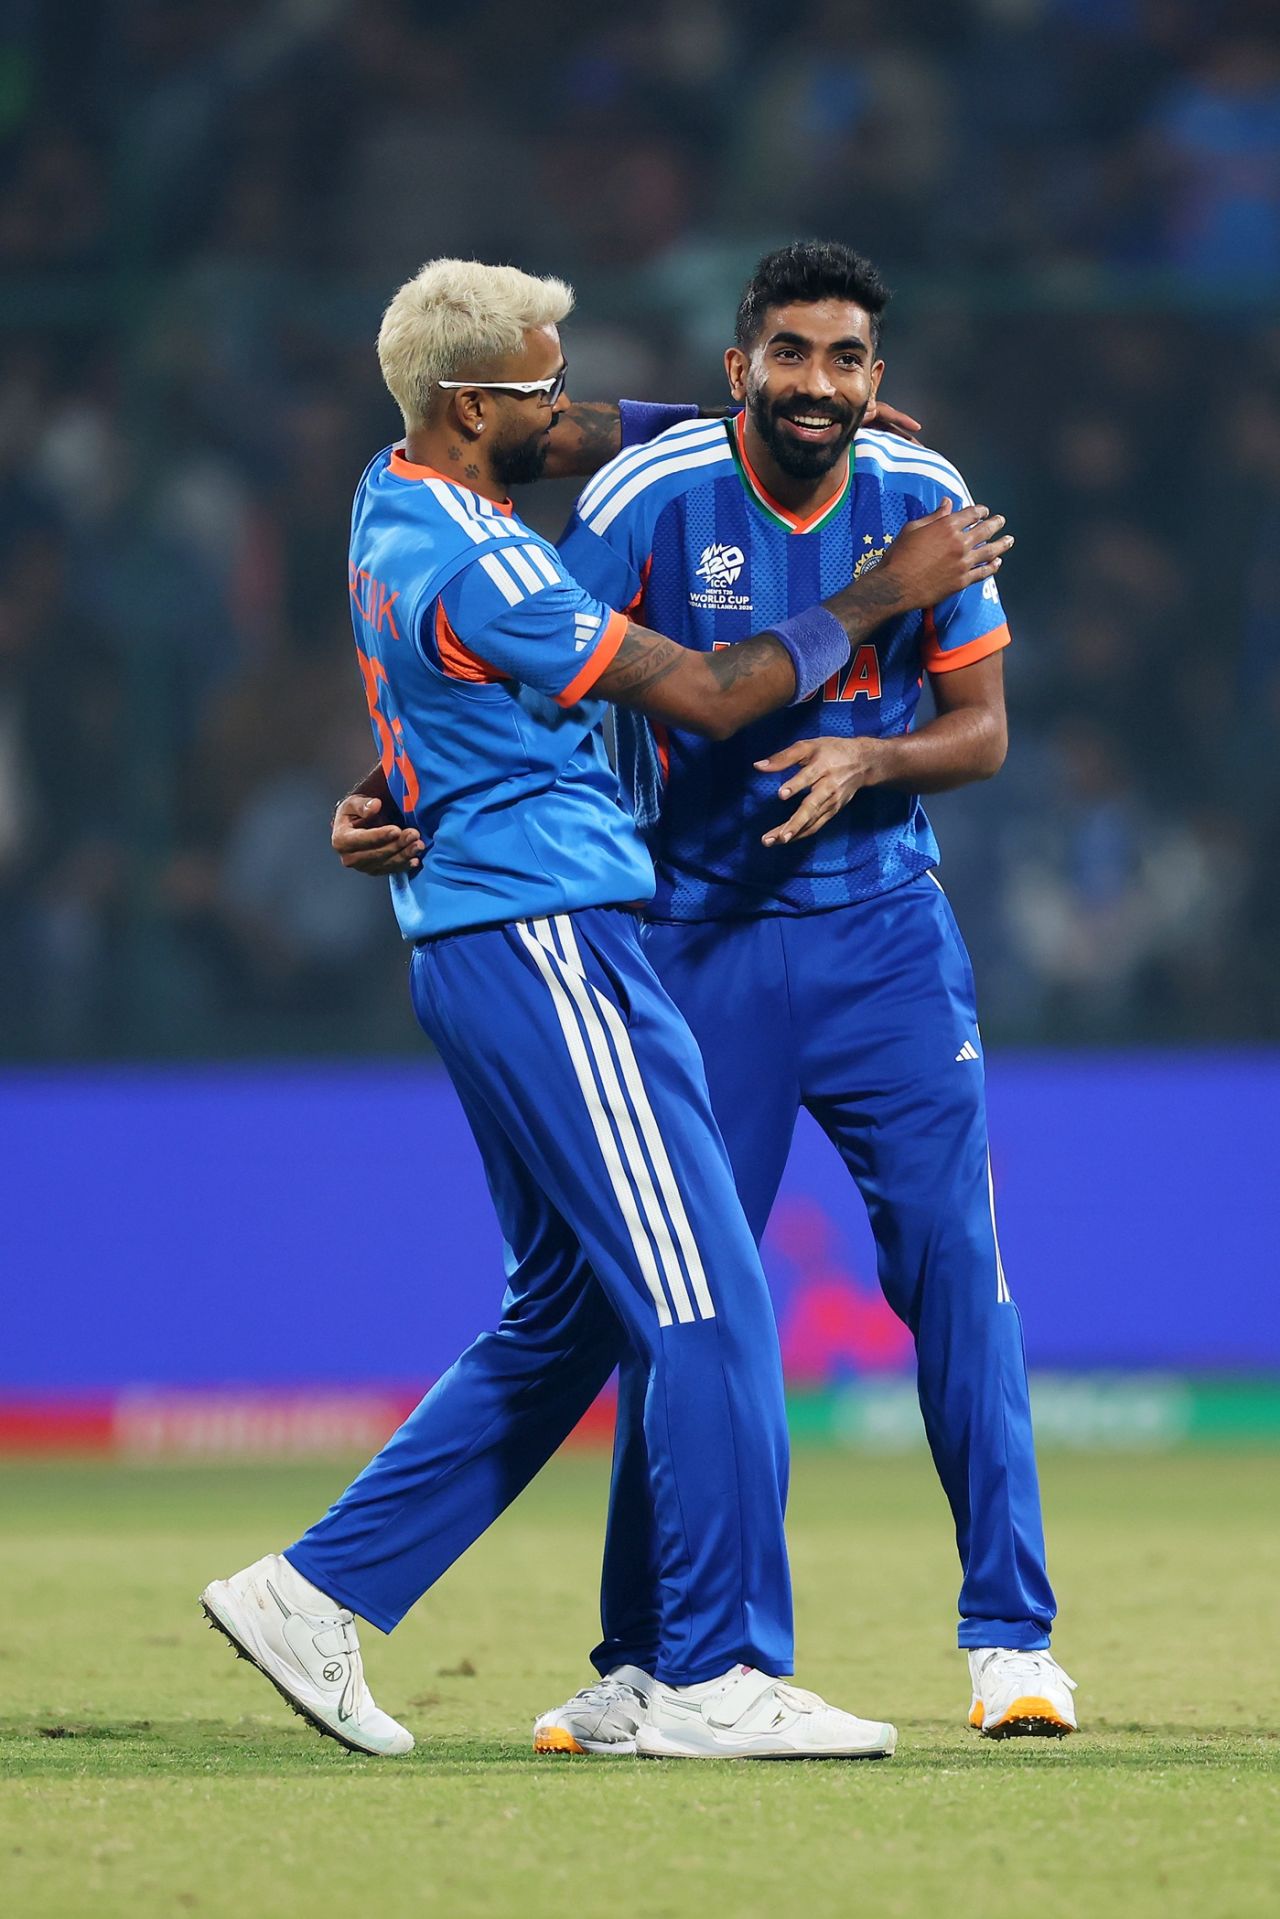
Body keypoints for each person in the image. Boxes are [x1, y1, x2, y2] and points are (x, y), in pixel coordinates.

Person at [201, 257, 1007, 1761]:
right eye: (544, 388)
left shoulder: (396, 502)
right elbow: (705, 694)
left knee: (571, 1314)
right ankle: (711, 1673)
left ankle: (315, 1593)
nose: (571, 411)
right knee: (706, 1293)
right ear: (470, 406)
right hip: (550, 940)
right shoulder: (493, 563)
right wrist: (877, 597)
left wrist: (759, 400)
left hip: (485, 932)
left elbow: (459, 668)